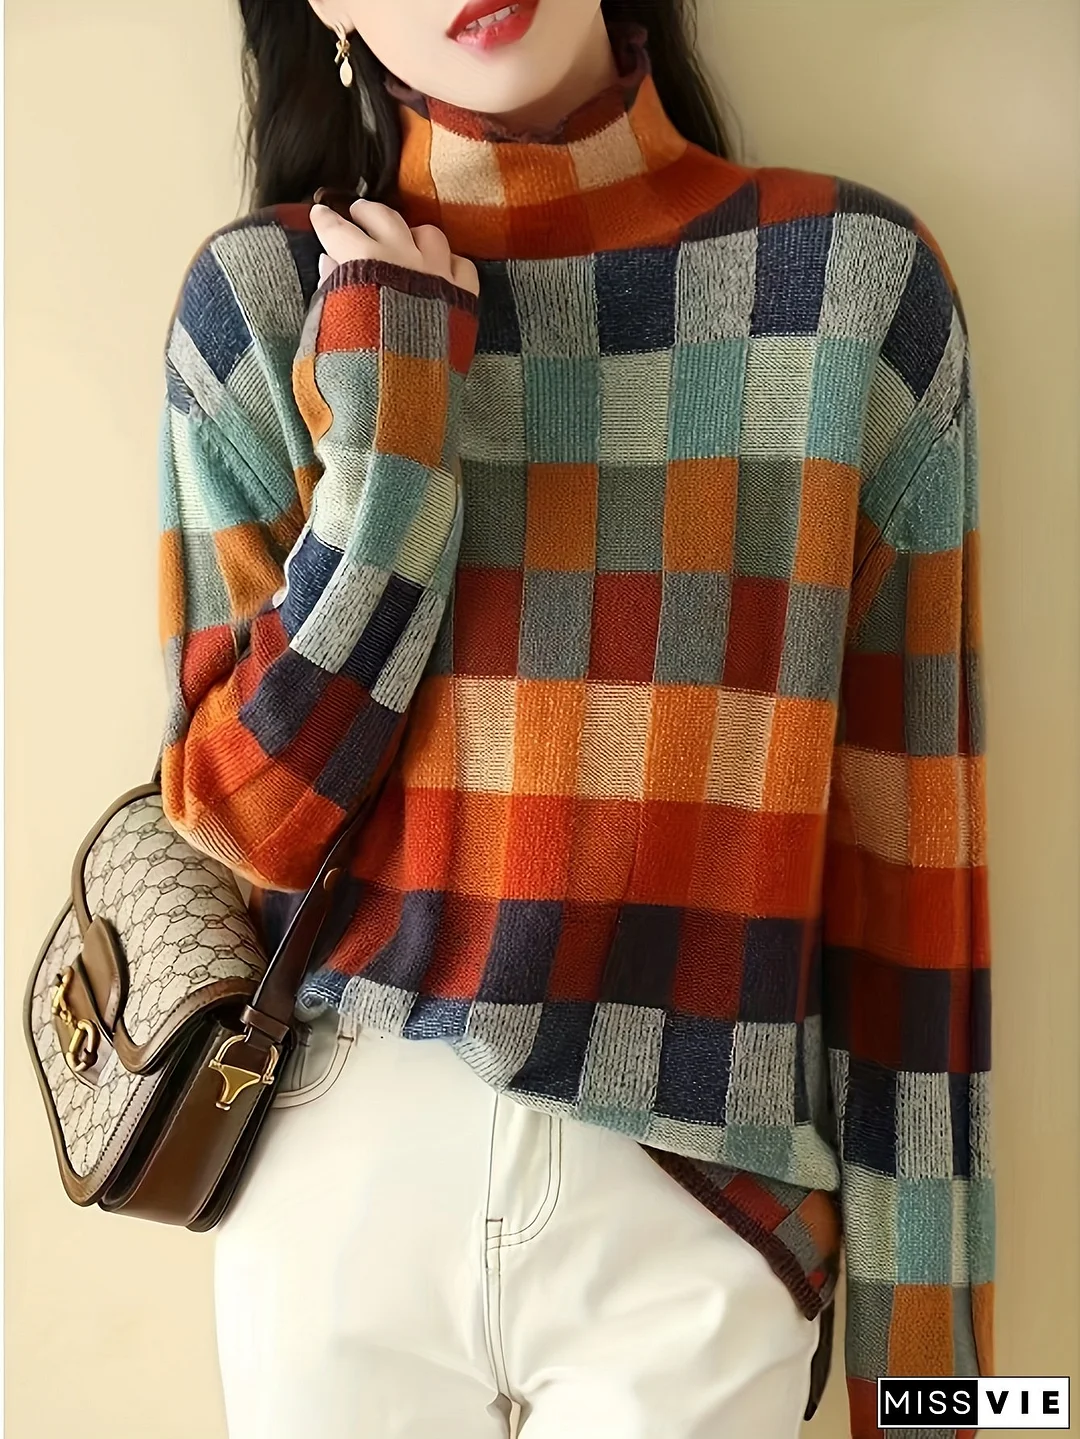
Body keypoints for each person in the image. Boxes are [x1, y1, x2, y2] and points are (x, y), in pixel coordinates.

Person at [156, 1, 995, 1435]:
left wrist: (948, 1411)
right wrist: (391, 451)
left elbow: (917, 902)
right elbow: (242, 825)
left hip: (701, 1225)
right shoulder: (266, 303)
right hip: (333, 1205)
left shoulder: (854, 290)